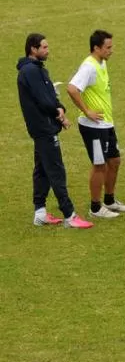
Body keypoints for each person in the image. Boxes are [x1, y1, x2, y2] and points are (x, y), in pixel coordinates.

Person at [17, 33, 93, 229]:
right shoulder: (31, 72)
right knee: (56, 170)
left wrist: (59, 108)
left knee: (42, 169)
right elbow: (44, 100)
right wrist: (58, 110)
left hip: (43, 127)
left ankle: (40, 212)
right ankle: (69, 215)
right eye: (44, 47)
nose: (47, 50)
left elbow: (49, 95)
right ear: (33, 49)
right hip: (43, 129)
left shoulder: (37, 70)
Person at [66, 29, 125, 219]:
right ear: (96, 48)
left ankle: (109, 200)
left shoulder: (101, 63)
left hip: (106, 124)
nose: (112, 50)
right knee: (99, 164)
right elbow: (72, 88)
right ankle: (95, 207)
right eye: (108, 47)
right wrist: (87, 111)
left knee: (114, 160)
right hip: (93, 126)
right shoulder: (89, 67)